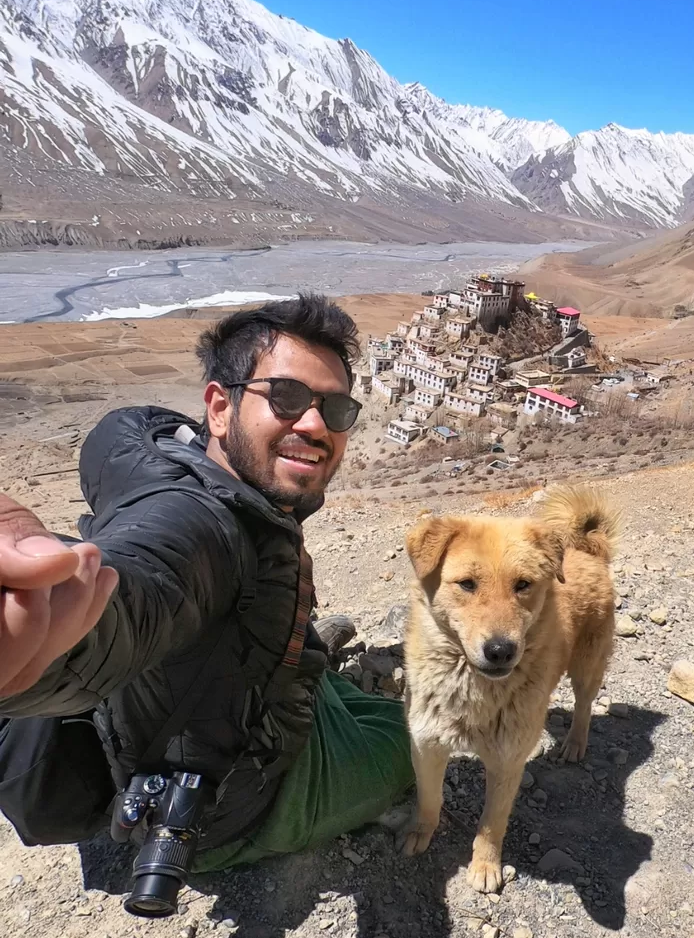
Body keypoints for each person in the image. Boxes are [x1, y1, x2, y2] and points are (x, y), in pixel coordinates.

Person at [0, 293, 412, 874]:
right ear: (219, 408)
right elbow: (136, 594)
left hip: (212, 701)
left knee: (316, 672)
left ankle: (308, 653)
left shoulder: (172, 458)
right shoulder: (200, 526)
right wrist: (39, 621)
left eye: (336, 409)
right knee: (412, 734)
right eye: (288, 398)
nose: (316, 423)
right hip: (232, 805)